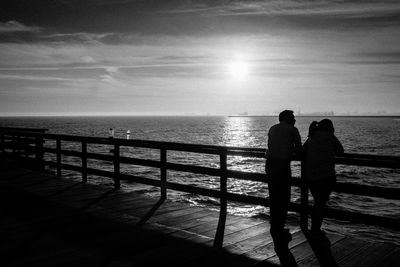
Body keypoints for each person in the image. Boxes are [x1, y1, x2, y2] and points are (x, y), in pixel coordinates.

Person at [265, 110, 302, 252]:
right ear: (287, 118)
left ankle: (275, 227)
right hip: (282, 165)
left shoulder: (273, 128)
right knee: (284, 196)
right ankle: (279, 228)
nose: (295, 119)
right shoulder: (292, 130)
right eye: (293, 117)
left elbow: (272, 146)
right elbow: (299, 150)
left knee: (274, 195)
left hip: (270, 164)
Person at [302, 119, 344, 239]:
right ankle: (315, 230)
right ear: (329, 128)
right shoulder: (330, 136)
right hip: (326, 176)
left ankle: (314, 229)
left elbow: (303, 151)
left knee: (317, 203)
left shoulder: (311, 137)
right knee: (320, 203)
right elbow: (341, 151)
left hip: (310, 176)